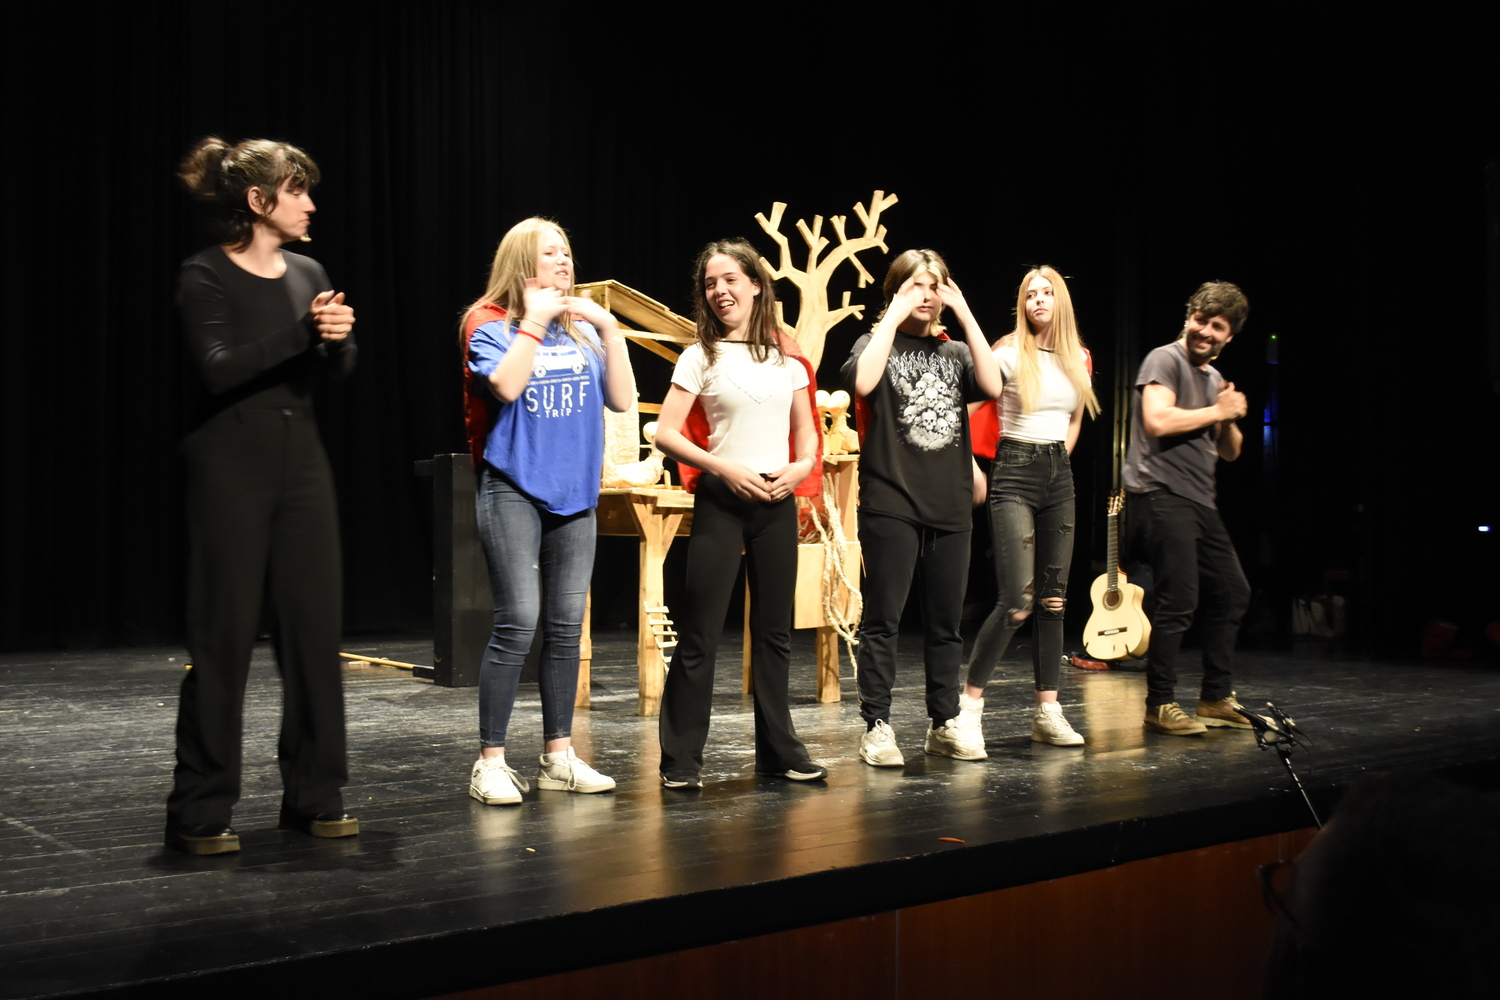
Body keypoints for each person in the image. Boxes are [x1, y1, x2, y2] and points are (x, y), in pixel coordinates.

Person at [167, 137, 359, 855]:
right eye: (298, 190)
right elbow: (218, 369)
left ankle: (316, 795)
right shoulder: (204, 275)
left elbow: (330, 369)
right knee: (224, 637)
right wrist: (304, 332)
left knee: (313, 633)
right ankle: (200, 806)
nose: (310, 203)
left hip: (301, 459)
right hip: (228, 462)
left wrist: (337, 342)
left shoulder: (307, 269)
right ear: (258, 201)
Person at [462, 218, 635, 803]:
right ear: (521, 264)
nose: (565, 262)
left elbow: (621, 400)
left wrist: (609, 329)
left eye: (567, 251)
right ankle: (490, 762)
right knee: (518, 623)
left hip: (575, 493)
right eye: (550, 254)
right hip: (513, 485)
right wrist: (534, 322)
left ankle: (558, 756)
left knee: (565, 630)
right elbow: (506, 387)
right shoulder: (487, 323)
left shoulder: (578, 330)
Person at [652, 240, 826, 788]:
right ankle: (680, 760)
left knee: (775, 634)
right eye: (710, 283)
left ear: (756, 285)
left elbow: (806, 441)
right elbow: (664, 432)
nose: (720, 291)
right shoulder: (699, 356)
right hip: (722, 503)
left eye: (730, 279)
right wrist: (722, 468)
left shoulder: (789, 362)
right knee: (700, 632)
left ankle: (778, 752)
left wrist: (799, 470)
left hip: (775, 502)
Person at [843, 250, 1001, 766]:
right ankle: (878, 725)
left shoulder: (953, 353)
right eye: (917, 285)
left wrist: (965, 312)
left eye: (936, 285)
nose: (928, 294)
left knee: (946, 624)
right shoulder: (875, 344)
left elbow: (995, 385)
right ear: (894, 292)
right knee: (883, 621)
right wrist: (894, 311)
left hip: (950, 503)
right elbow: (862, 384)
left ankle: (943, 722)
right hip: (891, 499)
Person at [963, 266, 1099, 746]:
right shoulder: (1006, 353)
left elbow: (1075, 417)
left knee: (1054, 601)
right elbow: (965, 411)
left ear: (1060, 301)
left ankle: (1048, 711)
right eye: (1029, 295)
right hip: (1014, 469)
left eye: (1046, 293)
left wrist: (1057, 461)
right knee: (1016, 601)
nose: (1037, 301)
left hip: (1058, 474)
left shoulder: (1078, 357)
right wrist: (974, 467)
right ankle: (968, 711)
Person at [1123, 281, 1255, 735]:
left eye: (1217, 326)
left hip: (1200, 501)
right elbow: (1158, 420)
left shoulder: (1215, 379)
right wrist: (1219, 412)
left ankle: (1216, 697)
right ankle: (1159, 703)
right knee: (1179, 600)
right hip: (1159, 495)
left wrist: (1230, 415)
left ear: (1229, 336)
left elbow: (1231, 452)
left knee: (1234, 592)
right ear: (1188, 317)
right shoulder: (1165, 359)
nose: (1205, 331)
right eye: (1200, 319)